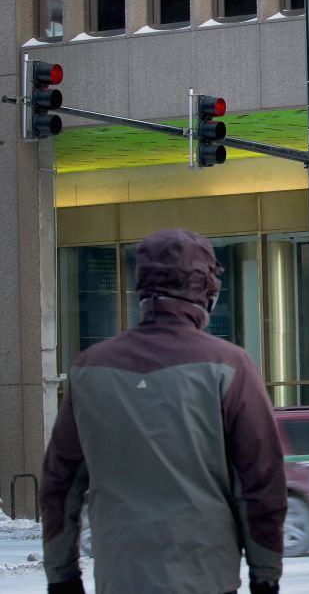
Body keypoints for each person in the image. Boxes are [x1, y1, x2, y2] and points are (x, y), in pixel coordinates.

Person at [40, 229, 287, 594]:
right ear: (207, 291)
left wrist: (62, 577)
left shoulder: (88, 370)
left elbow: (59, 485)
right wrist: (265, 577)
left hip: (119, 575)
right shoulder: (232, 367)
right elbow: (261, 482)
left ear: (142, 288)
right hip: (208, 575)